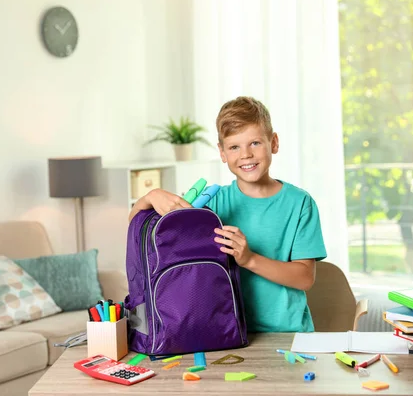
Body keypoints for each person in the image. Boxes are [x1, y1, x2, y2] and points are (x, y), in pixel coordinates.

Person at [128, 96, 327, 332]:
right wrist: (150, 197)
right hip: (223, 334)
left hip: (287, 334)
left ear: (273, 142)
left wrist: (250, 259)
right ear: (222, 153)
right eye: (234, 147)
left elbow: (305, 278)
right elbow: (138, 230)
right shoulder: (211, 203)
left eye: (255, 143)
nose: (246, 155)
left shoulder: (300, 203)